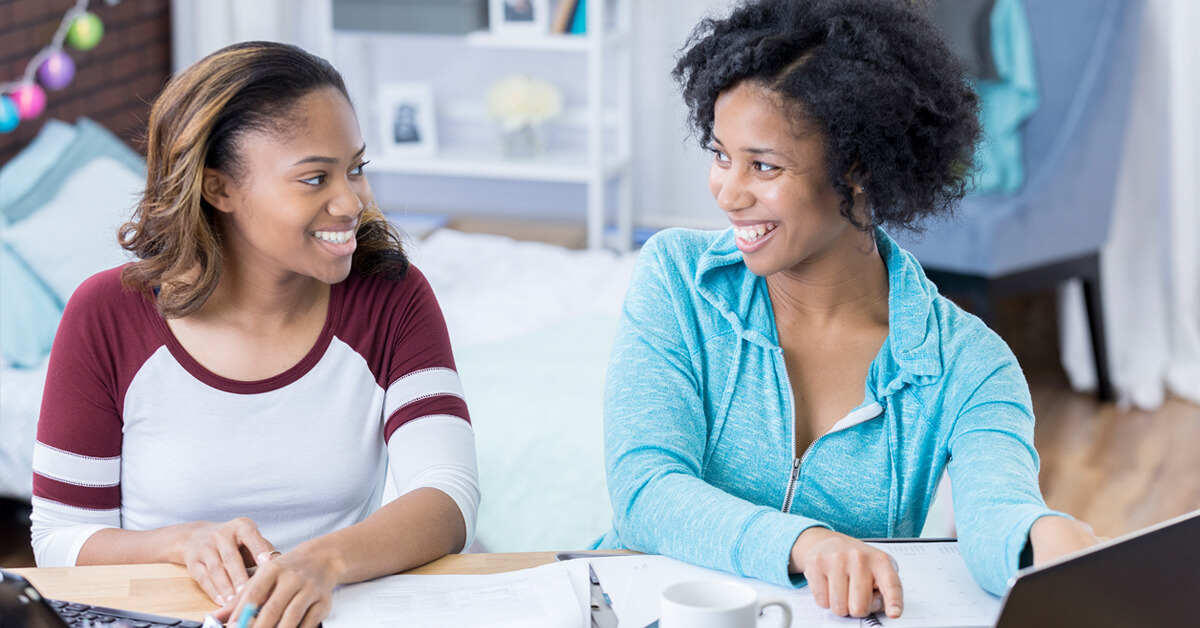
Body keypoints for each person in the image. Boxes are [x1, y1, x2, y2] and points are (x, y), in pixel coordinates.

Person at [593, 0, 1099, 620]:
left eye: (764, 165)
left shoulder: (970, 365)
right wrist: (805, 544)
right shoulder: (678, 279)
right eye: (721, 154)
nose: (728, 192)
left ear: (856, 167)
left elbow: (998, 513)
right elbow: (645, 489)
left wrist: (1042, 539)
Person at [30, 41, 479, 628]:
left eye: (356, 169)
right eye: (315, 178)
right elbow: (60, 539)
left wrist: (321, 562)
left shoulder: (391, 295)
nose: (353, 202)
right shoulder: (106, 314)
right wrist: (178, 543)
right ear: (219, 189)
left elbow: (448, 496)